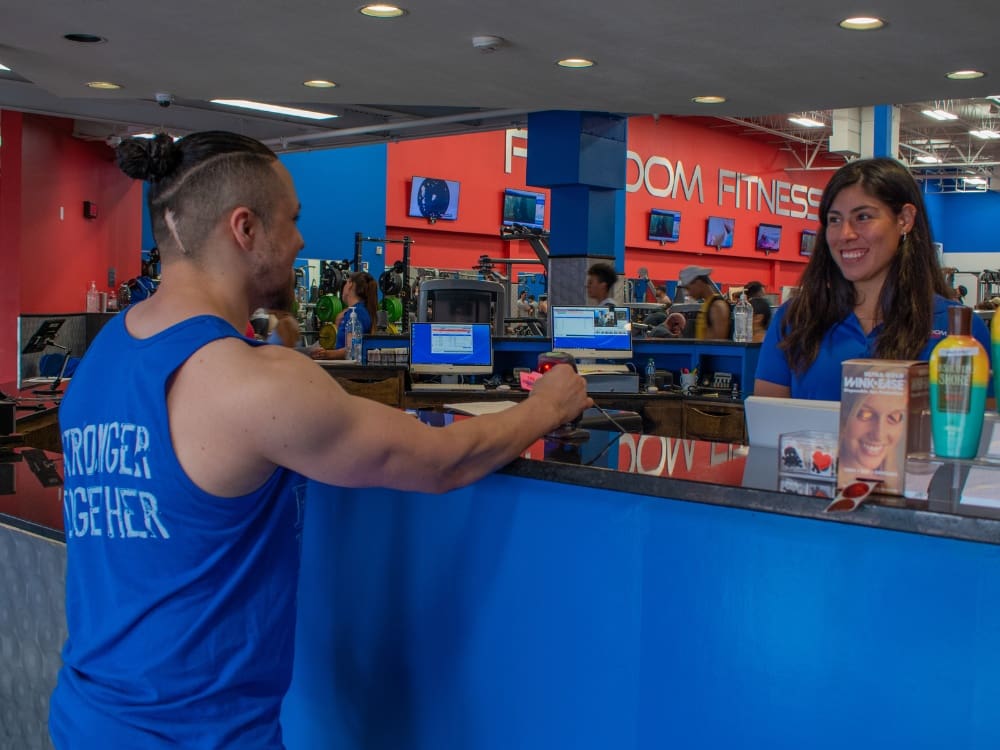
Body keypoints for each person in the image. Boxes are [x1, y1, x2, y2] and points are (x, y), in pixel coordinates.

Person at [49, 131, 591, 748]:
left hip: (85, 720)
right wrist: (547, 406)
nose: (303, 240)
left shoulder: (102, 358)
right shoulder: (252, 382)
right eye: (294, 219)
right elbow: (441, 463)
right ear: (245, 228)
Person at [754, 157, 991, 401]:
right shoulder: (795, 319)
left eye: (863, 217)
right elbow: (768, 425)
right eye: (834, 220)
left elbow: (982, 431)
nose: (845, 234)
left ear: (905, 220)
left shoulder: (960, 332)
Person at [838, 373, 907, 492]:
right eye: (865, 415)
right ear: (845, 416)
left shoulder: (903, 485)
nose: (879, 435)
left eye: (894, 417)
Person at [308, 270, 377, 360]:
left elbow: (352, 350)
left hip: (351, 369)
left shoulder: (357, 313)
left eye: (345, 284)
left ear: (350, 284)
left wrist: (326, 354)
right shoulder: (353, 311)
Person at [678, 265, 730, 340]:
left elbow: (718, 343)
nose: (688, 293)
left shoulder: (718, 306)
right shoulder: (707, 304)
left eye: (688, 288)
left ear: (698, 283)